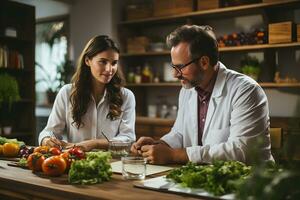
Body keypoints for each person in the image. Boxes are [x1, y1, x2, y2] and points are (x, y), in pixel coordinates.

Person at [131, 25, 274, 164]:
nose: (175, 74)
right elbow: (180, 133)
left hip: (251, 182)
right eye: (173, 67)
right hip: (207, 178)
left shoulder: (246, 90)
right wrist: (159, 145)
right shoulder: (188, 90)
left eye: (180, 67)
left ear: (204, 62)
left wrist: (174, 155)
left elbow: (242, 150)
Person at [39, 35, 136, 152]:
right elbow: (50, 131)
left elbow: (128, 139)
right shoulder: (67, 93)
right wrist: (47, 140)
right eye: (103, 62)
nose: (109, 69)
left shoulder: (126, 96)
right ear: (87, 61)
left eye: (114, 63)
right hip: (76, 163)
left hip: (112, 164)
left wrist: (94, 144)